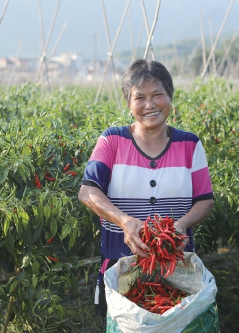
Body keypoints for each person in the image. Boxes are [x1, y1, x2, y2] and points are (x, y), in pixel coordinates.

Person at [78, 59, 214, 331]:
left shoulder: (190, 144)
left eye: (157, 95)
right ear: (129, 103)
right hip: (121, 267)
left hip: (176, 267)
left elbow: (205, 200)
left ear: (170, 98)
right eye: (139, 97)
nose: (150, 104)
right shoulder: (112, 141)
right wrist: (124, 221)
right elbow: (87, 191)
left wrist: (181, 225)